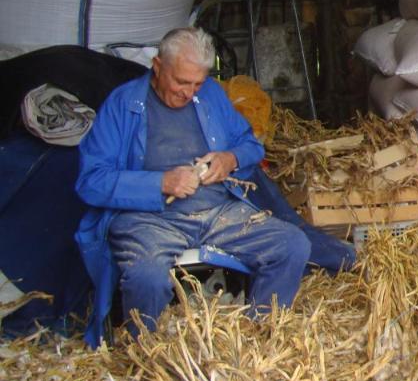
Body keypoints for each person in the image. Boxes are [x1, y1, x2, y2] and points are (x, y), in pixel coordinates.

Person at [76, 26, 312, 336]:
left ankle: (258, 340)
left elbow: (251, 144)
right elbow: (91, 181)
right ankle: (144, 353)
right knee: (146, 276)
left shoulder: (211, 94)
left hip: (218, 212)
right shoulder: (123, 104)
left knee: (292, 244)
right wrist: (160, 183)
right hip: (149, 220)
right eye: (181, 82)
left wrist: (229, 159)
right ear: (158, 67)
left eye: (197, 83)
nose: (188, 93)